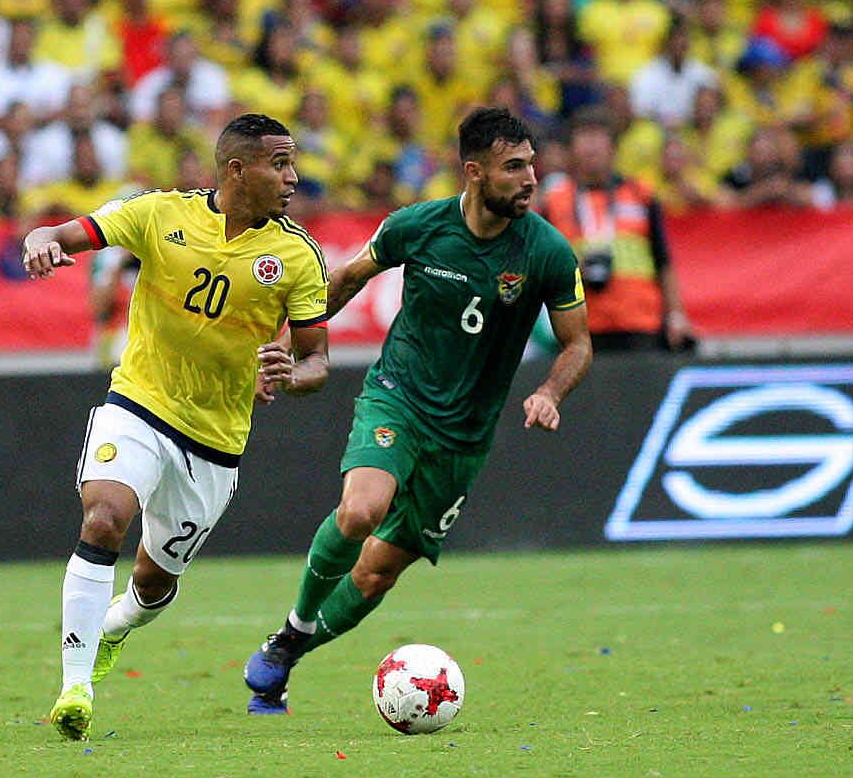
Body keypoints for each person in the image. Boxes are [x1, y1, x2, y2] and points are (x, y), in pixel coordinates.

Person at [242, 107, 593, 714]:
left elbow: (578, 342)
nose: (531, 179)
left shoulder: (547, 252)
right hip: (398, 398)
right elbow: (348, 278)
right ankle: (294, 627)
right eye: (515, 167)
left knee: (377, 572)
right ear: (475, 172)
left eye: (532, 165)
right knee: (360, 513)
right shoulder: (418, 227)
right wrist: (289, 340)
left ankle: (292, 651)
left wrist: (549, 392)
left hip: (463, 441)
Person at [22, 114, 331, 740]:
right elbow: (68, 230)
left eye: (293, 163)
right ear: (238, 170)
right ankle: (75, 686)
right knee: (104, 516)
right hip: (138, 401)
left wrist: (293, 374)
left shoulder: (298, 255)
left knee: (153, 584)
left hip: (215, 440)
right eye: (280, 163)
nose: (293, 177)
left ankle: (115, 627)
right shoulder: (158, 214)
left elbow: (318, 357)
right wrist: (41, 239)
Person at [541, 108, 692, 352]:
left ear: (613, 148)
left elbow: (663, 260)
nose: (591, 147)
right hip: (578, 324)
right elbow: (542, 266)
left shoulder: (641, 195)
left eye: (598, 138)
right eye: (583, 138)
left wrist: (675, 314)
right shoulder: (553, 201)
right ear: (571, 150)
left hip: (639, 322)